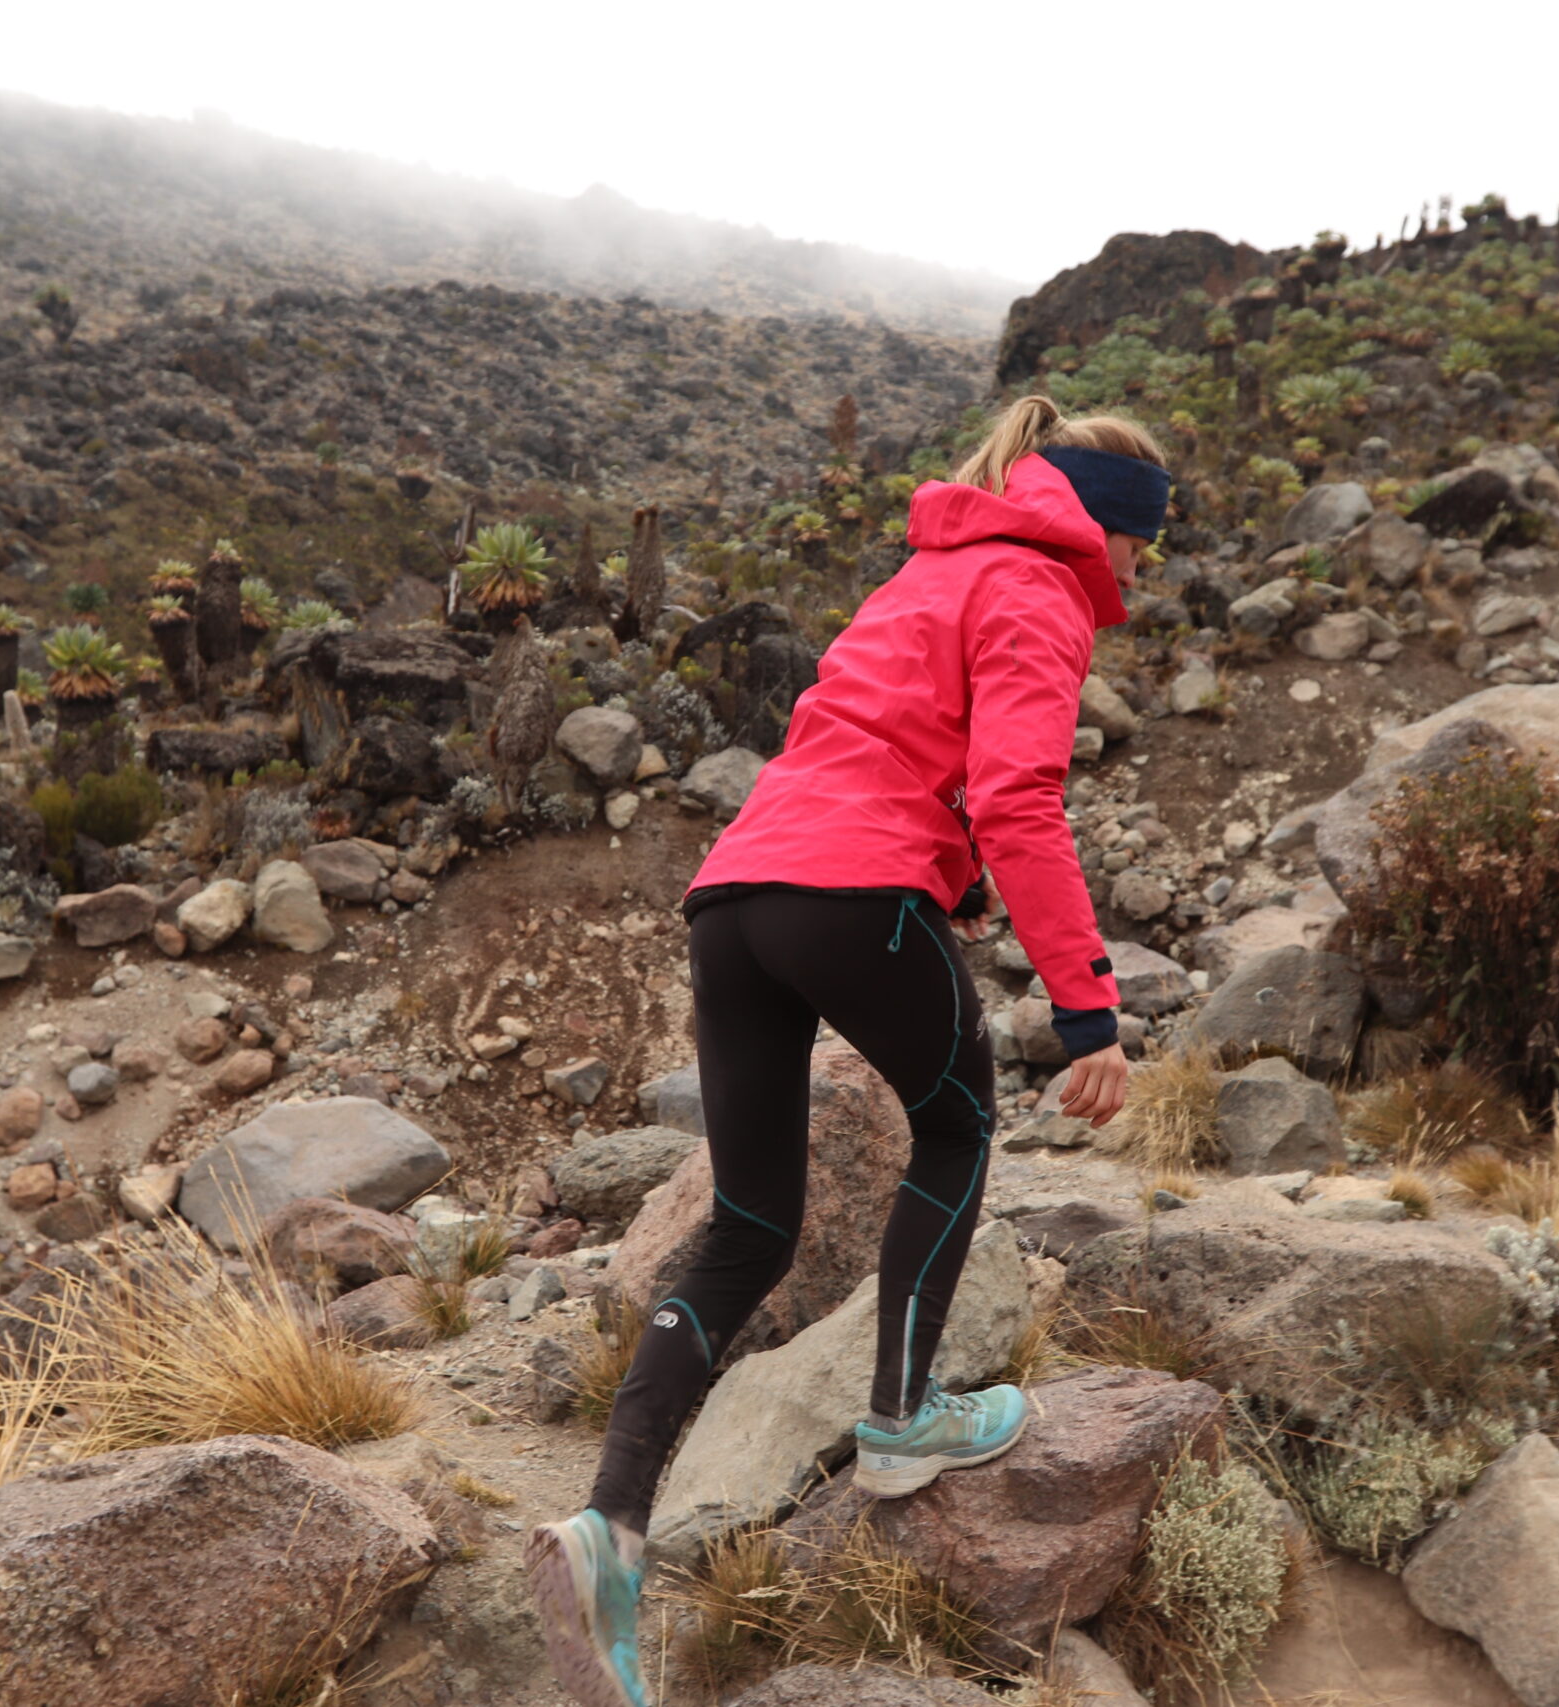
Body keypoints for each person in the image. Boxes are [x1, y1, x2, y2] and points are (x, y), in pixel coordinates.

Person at [526, 395, 1169, 1707]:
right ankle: (901, 1418)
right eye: (1147, 547)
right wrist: (1089, 1011)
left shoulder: (923, 576)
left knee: (749, 1226)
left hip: (736, 895)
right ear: (1108, 527)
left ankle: (610, 1533)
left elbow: (870, 747)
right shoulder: (1041, 590)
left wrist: (957, 885)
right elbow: (1016, 800)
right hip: (857, 896)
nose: (1145, 574)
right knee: (959, 1128)